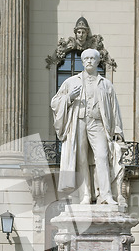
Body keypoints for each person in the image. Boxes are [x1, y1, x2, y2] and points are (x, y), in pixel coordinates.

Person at [51, 48, 124, 205]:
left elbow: (114, 108)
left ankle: (106, 195)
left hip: (98, 123)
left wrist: (117, 130)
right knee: (82, 159)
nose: (89, 61)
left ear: (98, 62)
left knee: (102, 156)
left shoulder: (106, 85)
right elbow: (55, 103)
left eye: (92, 58)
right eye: (86, 59)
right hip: (79, 121)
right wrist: (68, 98)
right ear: (82, 62)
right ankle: (86, 194)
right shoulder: (71, 82)